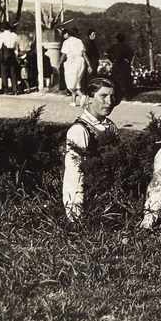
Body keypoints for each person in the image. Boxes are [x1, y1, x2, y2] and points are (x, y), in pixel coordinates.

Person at [62, 77, 119, 221]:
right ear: (89, 98)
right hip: (88, 205)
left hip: (110, 201)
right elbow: (74, 175)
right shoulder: (79, 130)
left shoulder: (110, 126)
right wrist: (75, 215)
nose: (110, 102)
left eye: (112, 97)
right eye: (103, 96)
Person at [60, 28, 88, 106]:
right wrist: (89, 65)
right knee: (76, 82)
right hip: (80, 62)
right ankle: (73, 101)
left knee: (70, 83)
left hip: (71, 62)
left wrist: (59, 63)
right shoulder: (79, 41)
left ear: (67, 34)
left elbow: (63, 54)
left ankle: (81, 96)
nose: (63, 36)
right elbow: (84, 54)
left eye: (63, 34)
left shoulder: (66, 42)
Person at [0, 21, 20, 95]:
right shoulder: (14, 35)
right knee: (13, 72)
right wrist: (16, 55)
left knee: (4, 73)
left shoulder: (2, 35)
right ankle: (15, 89)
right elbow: (16, 48)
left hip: (4, 55)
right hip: (12, 54)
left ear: (3, 28)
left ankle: (6, 90)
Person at [108, 32, 134, 100]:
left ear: (117, 39)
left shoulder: (114, 47)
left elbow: (107, 54)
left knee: (115, 80)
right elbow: (131, 55)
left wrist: (112, 61)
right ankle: (127, 96)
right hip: (124, 65)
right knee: (125, 81)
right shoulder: (127, 47)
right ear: (124, 39)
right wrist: (129, 61)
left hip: (116, 64)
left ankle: (116, 95)